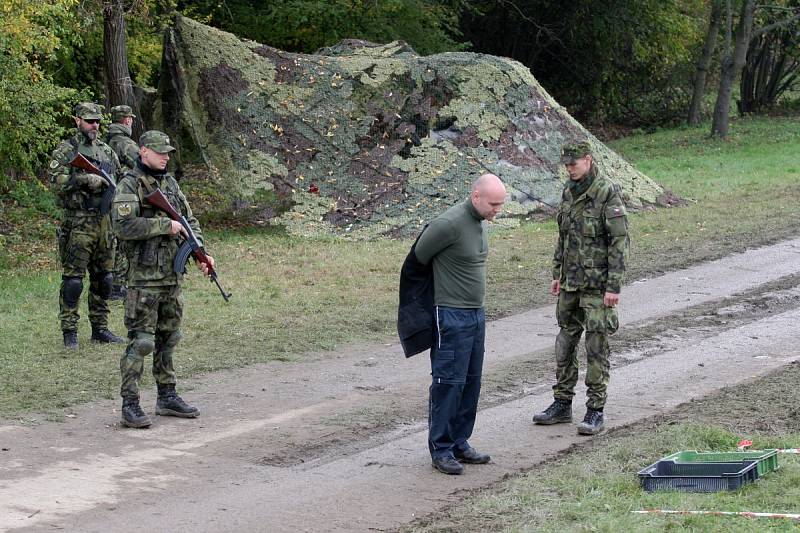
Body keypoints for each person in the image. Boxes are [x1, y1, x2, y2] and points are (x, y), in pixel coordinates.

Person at [111, 130, 214, 428]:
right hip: (143, 278)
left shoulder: (169, 183)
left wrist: (201, 253)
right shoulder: (129, 185)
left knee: (169, 337)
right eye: (160, 152)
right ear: (143, 152)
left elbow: (189, 221)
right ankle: (130, 404)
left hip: (171, 276)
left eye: (168, 151)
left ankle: (167, 396)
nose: (166, 156)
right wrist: (162, 225)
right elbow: (123, 227)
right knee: (141, 341)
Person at [532, 141, 629, 435]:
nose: (570, 168)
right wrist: (557, 272)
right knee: (565, 344)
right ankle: (561, 404)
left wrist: (614, 286)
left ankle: (595, 410)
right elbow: (563, 237)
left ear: (588, 160)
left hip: (598, 287)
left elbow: (619, 242)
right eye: (566, 164)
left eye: (574, 163)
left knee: (596, 347)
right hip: (571, 284)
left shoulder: (605, 192)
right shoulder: (568, 191)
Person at [412, 174, 506, 475]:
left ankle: (459, 442)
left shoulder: (479, 221)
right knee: (448, 382)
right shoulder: (448, 224)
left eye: (500, 205)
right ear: (475, 196)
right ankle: (440, 449)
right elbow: (417, 259)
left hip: (476, 314)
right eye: (493, 204)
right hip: (450, 316)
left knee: (470, 380)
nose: (497, 210)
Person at [48, 102, 125, 349]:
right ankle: (69, 331)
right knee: (73, 281)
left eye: (97, 121)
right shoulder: (66, 151)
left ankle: (100, 328)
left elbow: (121, 181)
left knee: (105, 278)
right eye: (89, 120)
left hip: (104, 223)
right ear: (77, 120)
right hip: (78, 221)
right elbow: (56, 183)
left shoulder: (107, 151)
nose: (94, 125)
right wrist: (82, 179)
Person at [105, 105, 139, 300]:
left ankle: (112, 283)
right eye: (130, 119)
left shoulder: (106, 140)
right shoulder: (124, 143)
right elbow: (142, 164)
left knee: (113, 241)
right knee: (123, 241)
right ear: (127, 120)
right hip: (123, 199)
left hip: (110, 197)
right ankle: (117, 285)